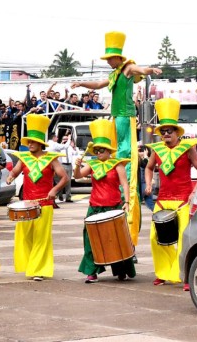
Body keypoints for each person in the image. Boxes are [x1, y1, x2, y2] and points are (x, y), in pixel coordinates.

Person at [71, 31, 162, 248]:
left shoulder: (127, 69)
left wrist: (151, 70)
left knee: (126, 155)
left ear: (118, 58)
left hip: (127, 117)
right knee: (115, 150)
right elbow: (99, 85)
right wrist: (81, 84)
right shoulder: (113, 75)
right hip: (117, 118)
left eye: (110, 58)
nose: (109, 62)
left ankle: (128, 182)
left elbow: (141, 70)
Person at [144, 98, 197, 291]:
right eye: (162, 131)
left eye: (169, 131)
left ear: (177, 132)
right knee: (155, 239)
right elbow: (148, 167)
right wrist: (149, 182)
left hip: (182, 200)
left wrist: (194, 192)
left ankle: (185, 276)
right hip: (162, 200)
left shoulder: (188, 149)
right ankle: (163, 273)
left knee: (183, 240)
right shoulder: (157, 150)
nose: (165, 134)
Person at [6, 114, 69, 281]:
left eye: (33, 142)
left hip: (45, 203)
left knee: (41, 237)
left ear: (40, 143)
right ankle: (30, 265)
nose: (30, 144)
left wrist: (55, 190)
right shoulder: (24, 158)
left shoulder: (51, 159)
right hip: (26, 203)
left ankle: (39, 269)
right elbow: (15, 171)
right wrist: (10, 177)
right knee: (24, 236)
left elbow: (64, 177)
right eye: (28, 142)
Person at [73, 119, 135, 283]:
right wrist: (77, 166)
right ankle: (92, 272)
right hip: (95, 207)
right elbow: (78, 176)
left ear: (109, 151)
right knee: (90, 240)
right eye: (97, 150)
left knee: (117, 240)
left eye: (102, 150)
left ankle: (121, 270)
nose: (99, 152)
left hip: (113, 207)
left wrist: (127, 203)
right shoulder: (92, 165)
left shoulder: (118, 165)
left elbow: (125, 185)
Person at [47, 132, 72, 203]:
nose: (57, 138)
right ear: (53, 137)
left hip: (50, 166)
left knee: (53, 182)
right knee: (59, 182)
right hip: (55, 166)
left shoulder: (48, 144)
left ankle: (55, 198)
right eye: (56, 137)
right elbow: (65, 146)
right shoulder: (54, 144)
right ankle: (54, 197)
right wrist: (69, 139)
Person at [138, 145, 154, 211]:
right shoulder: (140, 161)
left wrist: (145, 156)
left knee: (149, 203)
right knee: (150, 204)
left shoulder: (144, 160)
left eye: (140, 151)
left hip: (143, 186)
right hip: (146, 185)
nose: (138, 152)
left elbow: (147, 165)